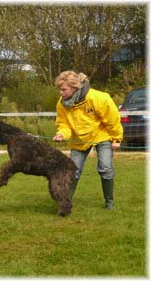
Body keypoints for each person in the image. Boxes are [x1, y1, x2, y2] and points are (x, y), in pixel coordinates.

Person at [52, 70, 123, 210]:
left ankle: (109, 202)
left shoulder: (98, 98)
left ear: (74, 88)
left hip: (101, 135)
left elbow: (112, 120)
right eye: (60, 89)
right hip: (79, 139)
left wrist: (116, 138)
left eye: (63, 89)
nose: (61, 92)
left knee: (105, 168)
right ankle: (65, 204)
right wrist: (62, 134)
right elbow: (64, 124)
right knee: (73, 171)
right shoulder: (62, 104)